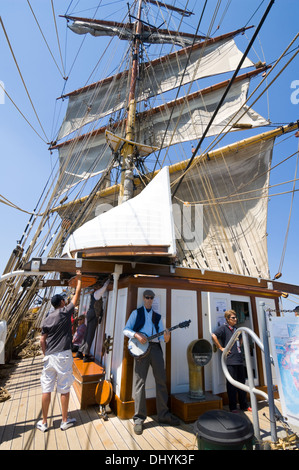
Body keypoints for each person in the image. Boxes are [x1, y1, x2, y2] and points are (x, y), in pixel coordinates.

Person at [123, 289, 180, 435]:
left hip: (155, 348)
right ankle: (139, 418)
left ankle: (163, 415)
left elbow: (162, 337)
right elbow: (126, 329)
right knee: (139, 382)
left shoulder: (157, 317)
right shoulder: (136, 313)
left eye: (151, 298)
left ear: (153, 299)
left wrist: (166, 338)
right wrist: (136, 334)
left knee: (161, 380)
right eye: (147, 297)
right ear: (143, 298)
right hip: (140, 350)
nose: (149, 300)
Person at [37, 270, 82, 432]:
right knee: (64, 388)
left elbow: (42, 339)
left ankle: (43, 422)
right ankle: (64, 420)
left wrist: (45, 353)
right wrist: (79, 278)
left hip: (49, 357)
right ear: (62, 303)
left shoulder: (47, 318)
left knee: (46, 388)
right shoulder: (65, 313)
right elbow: (77, 295)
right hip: (63, 355)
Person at [212, 309, 251, 413]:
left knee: (242, 383)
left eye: (236, 317)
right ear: (227, 319)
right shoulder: (224, 328)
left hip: (239, 359)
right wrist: (221, 348)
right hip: (230, 360)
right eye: (233, 318)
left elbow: (241, 339)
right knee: (231, 385)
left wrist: (239, 346)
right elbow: (213, 335)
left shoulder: (236, 329)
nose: (235, 319)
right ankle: (233, 407)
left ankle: (244, 405)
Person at [76, 277, 110, 362]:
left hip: (91, 314)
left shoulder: (94, 294)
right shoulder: (97, 293)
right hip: (94, 315)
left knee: (87, 334)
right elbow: (104, 288)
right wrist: (108, 280)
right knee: (90, 335)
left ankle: (80, 352)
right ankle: (86, 355)